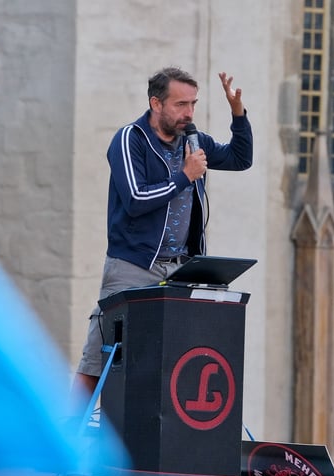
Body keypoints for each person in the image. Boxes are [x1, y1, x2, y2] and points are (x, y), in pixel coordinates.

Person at [71, 66, 253, 409]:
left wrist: (237, 112)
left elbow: (241, 159)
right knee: (102, 352)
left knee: (175, 355)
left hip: (182, 270)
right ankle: (68, 431)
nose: (189, 113)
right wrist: (185, 176)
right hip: (134, 265)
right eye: (180, 104)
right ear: (156, 103)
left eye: (194, 104)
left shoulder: (194, 141)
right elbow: (137, 199)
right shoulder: (130, 139)